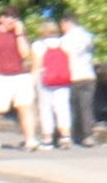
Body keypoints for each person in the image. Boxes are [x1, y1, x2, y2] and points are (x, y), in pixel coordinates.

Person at [0, 8, 38, 150]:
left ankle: (30, 139)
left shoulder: (19, 34)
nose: (11, 21)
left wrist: (19, 34)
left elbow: (25, 54)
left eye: (14, 18)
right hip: (0, 75)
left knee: (25, 107)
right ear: (1, 18)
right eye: (8, 17)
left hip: (20, 75)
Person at [31, 18, 75, 147]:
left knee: (46, 109)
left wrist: (32, 82)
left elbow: (36, 65)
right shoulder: (65, 43)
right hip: (62, 79)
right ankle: (65, 138)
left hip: (45, 79)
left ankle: (47, 139)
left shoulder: (38, 45)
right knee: (63, 108)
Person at [59, 13, 96, 144]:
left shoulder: (65, 39)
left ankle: (73, 134)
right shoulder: (88, 36)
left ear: (67, 23)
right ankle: (88, 136)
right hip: (88, 75)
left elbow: (63, 57)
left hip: (72, 76)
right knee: (86, 106)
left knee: (72, 107)